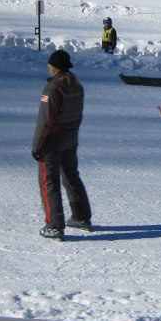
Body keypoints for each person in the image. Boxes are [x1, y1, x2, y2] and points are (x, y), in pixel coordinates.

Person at [32, 50, 92, 241]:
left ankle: (54, 225)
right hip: (71, 138)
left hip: (53, 142)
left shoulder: (52, 88)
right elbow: (79, 114)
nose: (48, 67)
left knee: (49, 182)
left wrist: (37, 145)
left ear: (55, 67)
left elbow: (45, 120)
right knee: (71, 175)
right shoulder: (76, 85)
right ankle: (81, 216)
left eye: (50, 65)